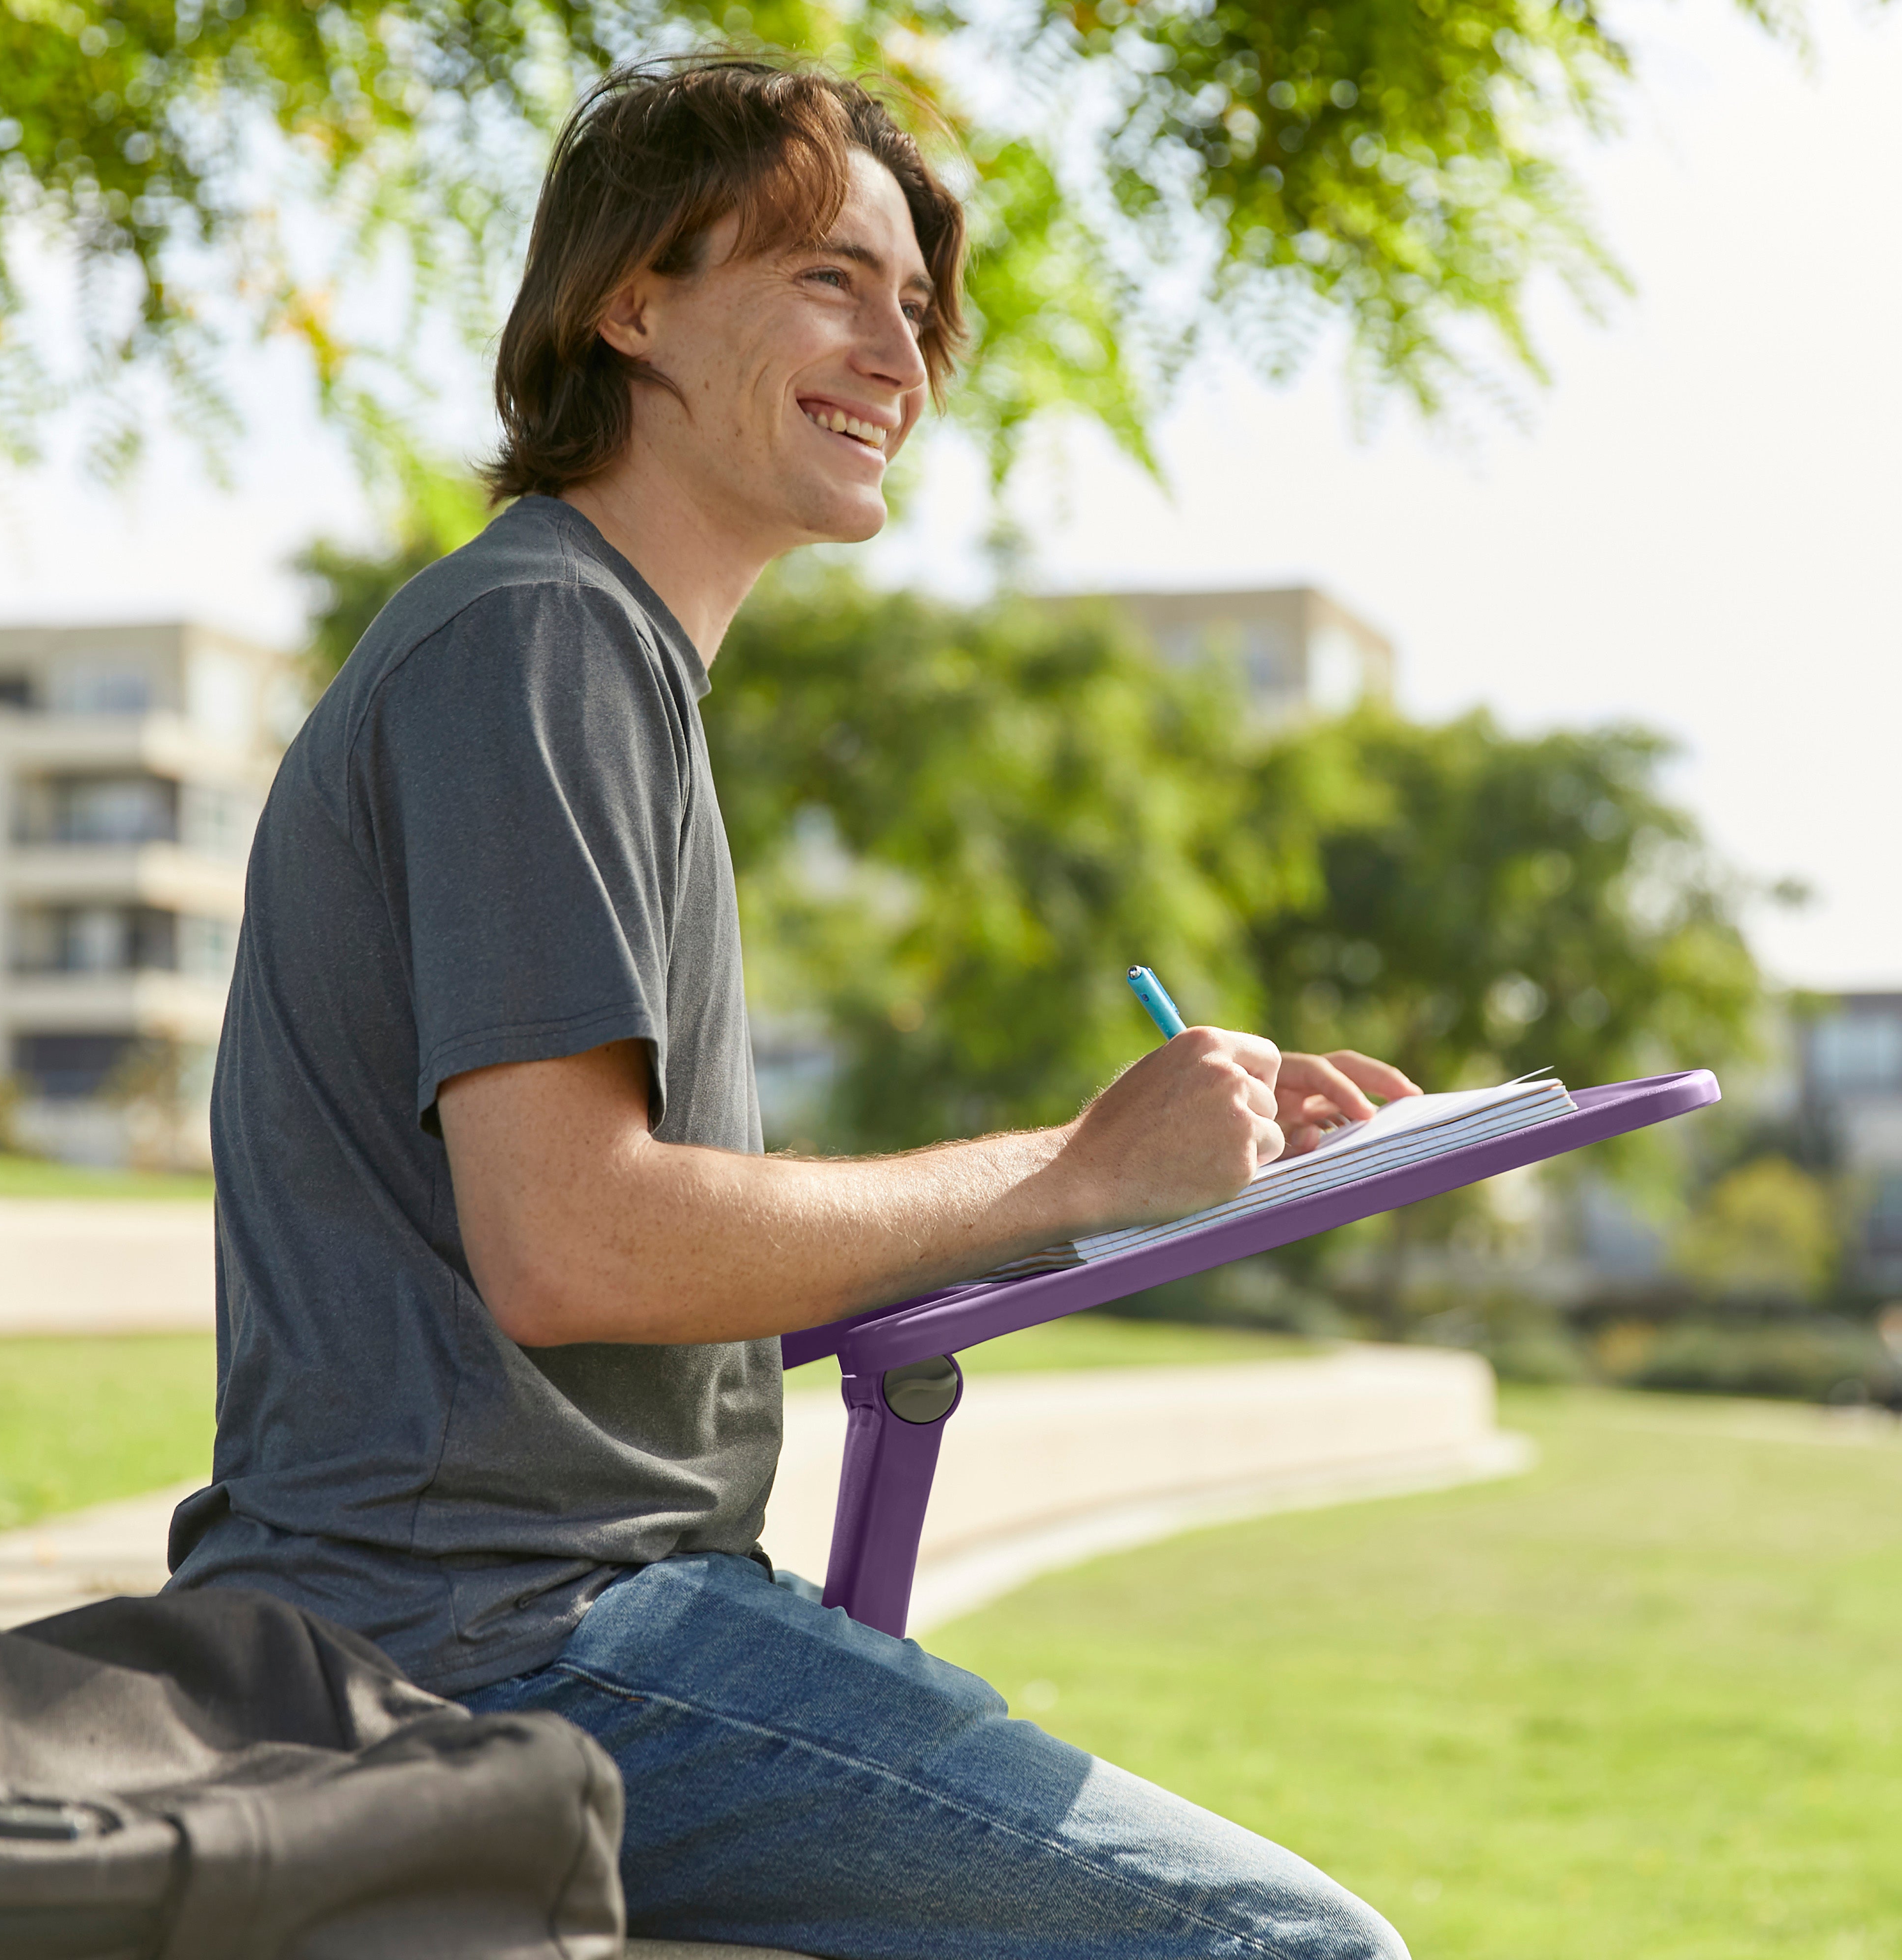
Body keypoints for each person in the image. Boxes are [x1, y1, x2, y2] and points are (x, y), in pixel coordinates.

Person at [168, 57, 1419, 1958]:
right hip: (491, 1644)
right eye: (832, 278)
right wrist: (1070, 1163)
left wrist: (1142, 1175)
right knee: (1300, 1949)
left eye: (915, 308)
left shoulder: (591, 659)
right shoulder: (542, 640)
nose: (899, 354)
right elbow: (576, 1245)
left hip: (519, 1615)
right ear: (631, 299)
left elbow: (629, 1240)